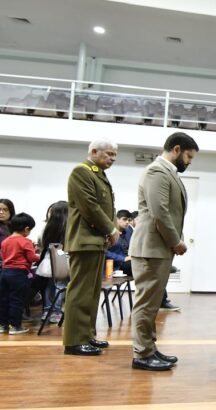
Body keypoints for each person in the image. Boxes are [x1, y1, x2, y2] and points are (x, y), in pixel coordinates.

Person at [129, 132, 198, 371]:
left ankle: (149, 348)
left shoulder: (167, 172)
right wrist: (175, 241)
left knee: (152, 302)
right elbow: (160, 212)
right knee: (146, 303)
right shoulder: (156, 171)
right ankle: (142, 354)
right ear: (176, 149)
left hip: (157, 248)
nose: (189, 162)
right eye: (189, 156)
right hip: (151, 248)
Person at [63, 139, 120, 356]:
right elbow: (90, 207)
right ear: (94, 151)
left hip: (95, 241)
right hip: (84, 240)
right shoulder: (82, 171)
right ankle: (74, 341)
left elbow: (107, 207)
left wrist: (111, 230)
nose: (112, 159)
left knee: (92, 292)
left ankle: (86, 335)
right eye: (109, 154)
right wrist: (111, 230)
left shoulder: (98, 174)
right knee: (80, 292)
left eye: (115, 155)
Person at [116, 210, 179, 311]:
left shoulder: (129, 231)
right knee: (153, 270)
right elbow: (106, 253)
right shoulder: (111, 232)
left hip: (131, 261)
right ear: (117, 220)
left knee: (154, 269)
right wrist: (123, 258)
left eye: (128, 220)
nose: (127, 222)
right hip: (119, 265)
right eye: (124, 220)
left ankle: (160, 301)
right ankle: (161, 302)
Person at [0, 213, 40, 335]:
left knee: (4, 299)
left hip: (4, 272)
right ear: (26, 229)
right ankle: (15, 326)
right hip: (19, 274)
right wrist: (37, 254)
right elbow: (32, 258)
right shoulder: (26, 241)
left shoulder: (6, 241)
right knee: (16, 300)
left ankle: (3, 326)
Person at [40, 201, 68, 324]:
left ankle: (47, 310)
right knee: (60, 285)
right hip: (63, 258)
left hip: (49, 258)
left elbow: (43, 244)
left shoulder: (48, 227)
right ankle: (56, 311)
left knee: (49, 285)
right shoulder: (67, 228)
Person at [0, 198, 16, 267]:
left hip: (13, 264)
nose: (1, 212)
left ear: (11, 211)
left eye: (5, 210)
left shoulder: (16, 227)